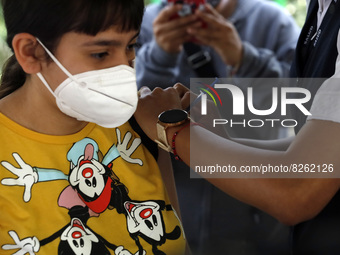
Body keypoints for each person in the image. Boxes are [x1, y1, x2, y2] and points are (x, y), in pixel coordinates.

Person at [134, 0, 340, 254]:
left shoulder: (271, 21)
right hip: (178, 215)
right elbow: (315, 141)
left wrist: (173, 128)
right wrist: (159, 56)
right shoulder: (143, 23)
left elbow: (297, 187)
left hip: (257, 226)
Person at [0, 1, 187, 255]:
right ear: (31, 53)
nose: (125, 69)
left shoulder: (141, 123)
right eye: (100, 53)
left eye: (131, 46)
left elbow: (177, 246)